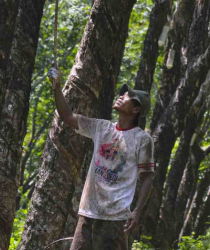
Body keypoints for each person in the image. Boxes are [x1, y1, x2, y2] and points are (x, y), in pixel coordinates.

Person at [47, 67, 155, 250]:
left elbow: (148, 177)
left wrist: (136, 212)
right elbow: (67, 116)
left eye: (128, 96)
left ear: (136, 109)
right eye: (122, 94)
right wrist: (57, 88)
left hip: (116, 218)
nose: (121, 96)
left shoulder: (142, 139)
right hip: (88, 214)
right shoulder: (101, 127)